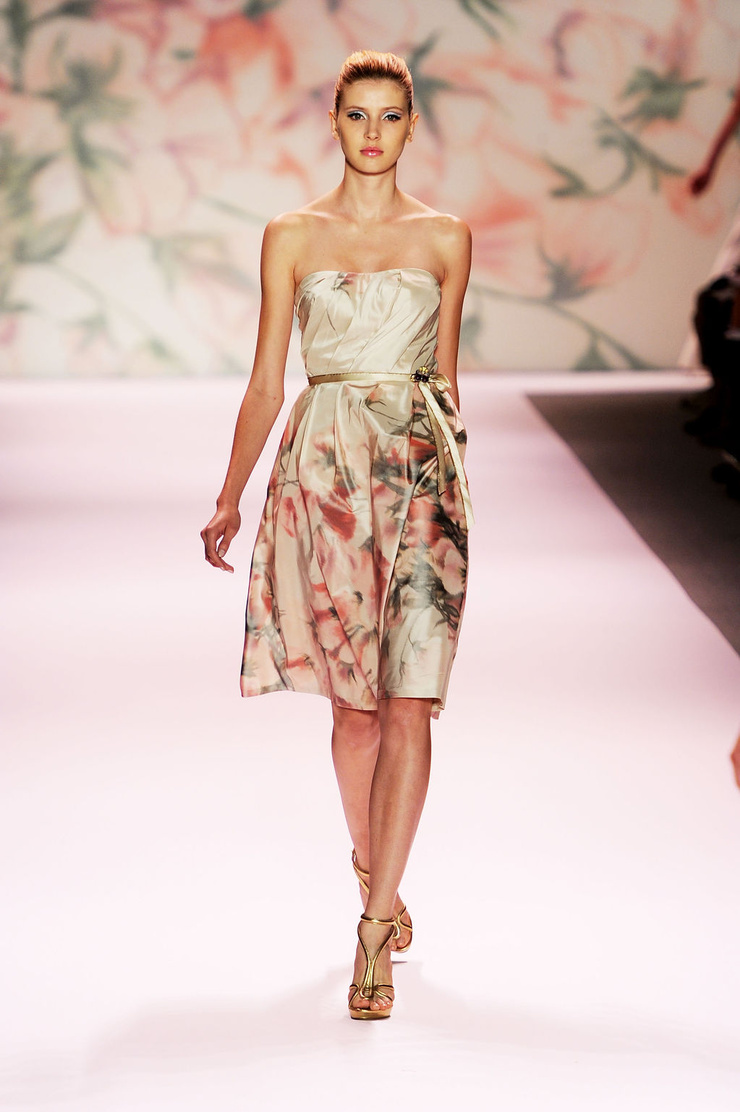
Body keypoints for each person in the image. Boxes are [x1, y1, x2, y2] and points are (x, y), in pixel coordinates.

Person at [200, 50, 473, 1020]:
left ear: (411, 125)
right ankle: (371, 860)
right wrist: (230, 494)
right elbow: (266, 380)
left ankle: (374, 927)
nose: (372, 133)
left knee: (411, 702)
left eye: (389, 116)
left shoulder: (446, 237)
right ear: (334, 121)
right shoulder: (291, 234)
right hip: (325, 477)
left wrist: (455, 491)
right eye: (357, 114)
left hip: (420, 476)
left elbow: (446, 380)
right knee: (355, 713)